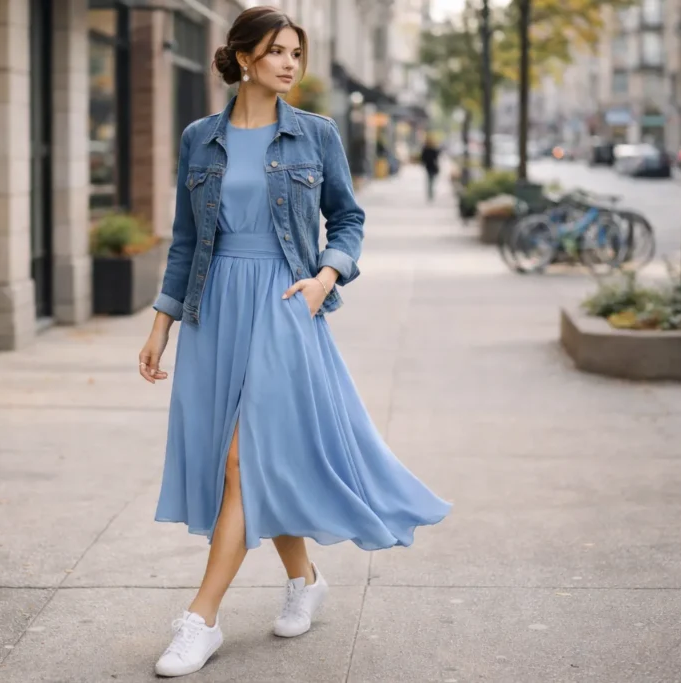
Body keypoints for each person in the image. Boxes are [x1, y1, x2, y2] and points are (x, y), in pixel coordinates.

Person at [138, 6, 452, 677]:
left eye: (297, 53)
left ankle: (201, 618)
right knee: (261, 458)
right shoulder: (200, 138)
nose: (290, 63)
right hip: (214, 309)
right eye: (278, 51)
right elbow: (186, 241)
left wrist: (324, 277)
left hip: (284, 304)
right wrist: (160, 325)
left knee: (241, 461)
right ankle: (305, 578)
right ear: (244, 56)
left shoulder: (316, 134)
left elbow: (348, 217)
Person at [420, 135, 441, 201]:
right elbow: (436, 157)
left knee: (430, 181)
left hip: (429, 166)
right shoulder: (432, 149)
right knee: (431, 181)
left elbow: (423, 158)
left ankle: (430, 193)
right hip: (432, 166)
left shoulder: (426, 149)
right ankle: (431, 193)